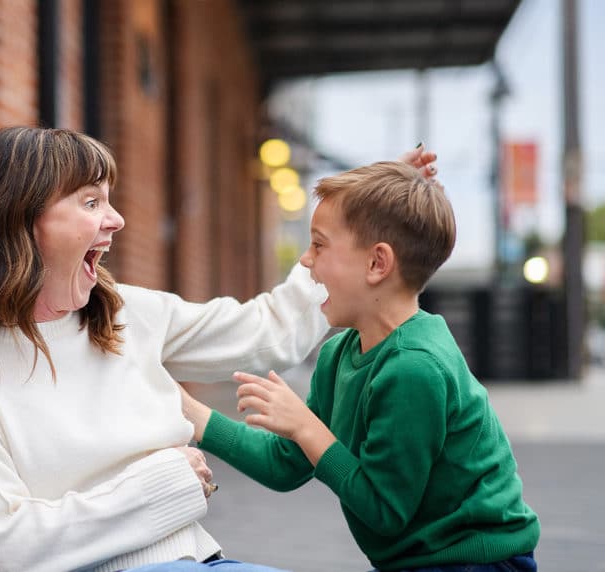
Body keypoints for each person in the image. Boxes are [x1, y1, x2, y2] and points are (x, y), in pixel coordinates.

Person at [0, 126, 437, 572]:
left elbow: (268, 332)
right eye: (91, 202)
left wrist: (357, 225)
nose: (116, 220)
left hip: (201, 559)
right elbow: (2, 548)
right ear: (22, 220)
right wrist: (164, 485)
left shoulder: (126, 312)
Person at [180, 161, 540, 572]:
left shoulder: (414, 368)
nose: (305, 259)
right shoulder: (340, 355)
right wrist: (191, 413)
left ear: (376, 264)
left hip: (476, 562)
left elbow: (385, 512)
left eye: (318, 245)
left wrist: (305, 425)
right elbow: (286, 465)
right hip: (417, 559)